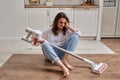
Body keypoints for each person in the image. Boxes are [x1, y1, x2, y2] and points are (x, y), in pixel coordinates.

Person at [34, 12, 81, 78]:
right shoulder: (48, 31)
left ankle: (65, 59)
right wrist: (36, 41)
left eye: (64, 23)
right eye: (60, 22)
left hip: (62, 53)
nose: (62, 24)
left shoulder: (67, 30)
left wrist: (67, 26)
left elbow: (79, 34)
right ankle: (62, 67)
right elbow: (36, 38)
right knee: (44, 43)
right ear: (56, 22)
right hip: (50, 54)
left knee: (75, 36)